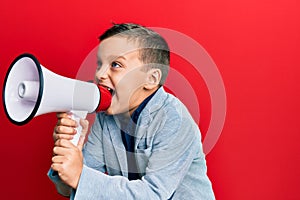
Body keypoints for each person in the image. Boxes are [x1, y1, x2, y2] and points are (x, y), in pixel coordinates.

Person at [48, 23, 215, 199]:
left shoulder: (174, 120)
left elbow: (153, 195)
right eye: (99, 64)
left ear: (151, 79)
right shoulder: (106, 118)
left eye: (116, 64)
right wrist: (70, 148)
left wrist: (79, 175)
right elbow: (72, 188)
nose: (100, 74)